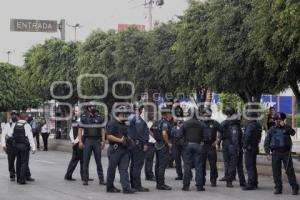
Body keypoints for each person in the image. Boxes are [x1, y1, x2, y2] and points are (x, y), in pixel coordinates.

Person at [264, 112, 299, 195]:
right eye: (276, 120)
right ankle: (278, 188)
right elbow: (267, 142)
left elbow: (293, 133)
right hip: (275, 153)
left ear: (282, 120)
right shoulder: (272, 130)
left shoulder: (286, 128)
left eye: (279, 120)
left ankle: (294, 188)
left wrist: (285, 126)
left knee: (289, 171)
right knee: (276, 172)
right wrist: (267, 153)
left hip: (286, 153)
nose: (277, 122)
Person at [106, 105, 136, 194]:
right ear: (119, 113)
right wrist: (119, 140)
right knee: (112, 169)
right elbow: (109, 136)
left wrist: (129, 140)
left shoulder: (124, 124)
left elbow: (126, 135)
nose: (126, 116)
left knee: (124, 169)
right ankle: (110, 187)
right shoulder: (112, 123)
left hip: (124, 149)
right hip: (115, 150)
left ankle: (126, 188)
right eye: (124, 114)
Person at [1, 112, 34, 182]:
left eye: (15, 115)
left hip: (17, 144)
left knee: (21, 161)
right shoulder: (8, 125)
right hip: (11, 145)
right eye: (12, 115)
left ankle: (26, 175)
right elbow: (3, 135)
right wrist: (3, 145)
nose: (14, 116)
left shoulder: (18, 124)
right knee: (12, 161)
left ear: (18, 116)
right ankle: (13, 175)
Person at [78, 102, 106, 186]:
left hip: (97, 141)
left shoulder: (100, 117)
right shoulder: (83, 117)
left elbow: (102, 129)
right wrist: (80, 141)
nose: (93, 108)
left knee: (98, 161)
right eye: (91, 106)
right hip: (87, 140)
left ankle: (101, 180)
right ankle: (85, 179)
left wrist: (103, 140)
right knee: (86, 161)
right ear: (88, 108)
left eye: (94, 106)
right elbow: (80, 130)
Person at [180, 107, 206, 192]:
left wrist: (184, 144)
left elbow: (180, 135)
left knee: (187, 166)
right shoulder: (201, 124)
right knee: (199, 167)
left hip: (188, 145)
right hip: (198, 145)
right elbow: (205, 136)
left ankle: (186, 186)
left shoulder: (185, 123)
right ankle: (199, 186)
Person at [220, 107, 246, 188]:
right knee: (236, 164)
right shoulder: (234, 125)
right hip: (234, 146)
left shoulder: (224, 123)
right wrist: (237, 147)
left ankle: (241, 181)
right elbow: (235, 137)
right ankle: (231, 181)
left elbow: (221, 134)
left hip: (227, 144)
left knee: (232, 163)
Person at [128, 102, 150, 192]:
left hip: (132, 144)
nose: (142, 111)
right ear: (139, 109)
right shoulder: (137, 118)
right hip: (138, 145)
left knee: (133, 165)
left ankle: (133, 184)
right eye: (142, 109)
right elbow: (140, 132)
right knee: (137, 165)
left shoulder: (129, 117)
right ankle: (137, 185)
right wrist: (145, 143)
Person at [13, 112, 36, 185]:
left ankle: (18, 178)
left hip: (17, 146)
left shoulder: (16, 124)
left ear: (19, 117)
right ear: (26, 118)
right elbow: (30, 137)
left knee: (18, 162)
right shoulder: (26, 125)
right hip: (24, 146)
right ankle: (22, 180)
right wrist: (33, 147)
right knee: (24, 163)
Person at [201, 107, 222, 187]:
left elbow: (222, 131)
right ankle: (202, 179)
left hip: (211, 146)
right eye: (205, 114)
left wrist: (217, 141)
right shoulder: (200, 123)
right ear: (202, 114)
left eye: (208, 114)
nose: (206, 116)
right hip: (203, 146)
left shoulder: (215, 123)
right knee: (201, 164)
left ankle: (213, 180)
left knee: (213, 164)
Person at [152, 107, 173, 190]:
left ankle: (158, 183)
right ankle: (161, 184)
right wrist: (168, 143)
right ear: (167, 114)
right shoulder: (165, 123)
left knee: (157, 164)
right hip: (163, 145)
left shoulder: (157, 122)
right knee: (162, 165)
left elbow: (151, 131)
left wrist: (157, 139)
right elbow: (164, 133)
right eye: (170, 113)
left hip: (157, 145)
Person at [243, 112, 262, 190]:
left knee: (249, 166)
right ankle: (255, 182)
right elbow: (259, 137)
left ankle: (250, 183)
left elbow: (247, 136)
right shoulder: (258, 125)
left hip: (249, 148)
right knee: (253, 166)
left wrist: (244, 146)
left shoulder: (250, 125)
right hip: (255, 147)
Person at [64, 116, 84, 181]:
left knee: (74, 160)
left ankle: (68, 175)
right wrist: (75, 142)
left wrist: (73, 141)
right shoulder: (83, 122)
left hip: (75, 144)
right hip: (79, 143)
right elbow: (81, 133)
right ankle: (84, 176)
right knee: (83, 160)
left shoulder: (74, 122)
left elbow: (70, 133)